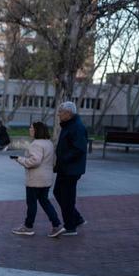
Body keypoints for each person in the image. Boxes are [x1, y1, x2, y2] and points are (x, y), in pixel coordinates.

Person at [10, 121, 65, 237]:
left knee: (32, 204)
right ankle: (57, 225)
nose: (29, 130)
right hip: (46, 179)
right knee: (45, 202)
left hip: (35, 180)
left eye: (31, 128)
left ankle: (28, 227)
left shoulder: (36, 144)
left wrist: (20, 159)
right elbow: (53, 161)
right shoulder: (49, 143)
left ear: (37, 130)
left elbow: (34, 161)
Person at [54, 101, 88, 236]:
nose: (58, 115)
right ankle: (77, 218)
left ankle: (70, 226)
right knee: (58, 192)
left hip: (71, 169)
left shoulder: (77, 127)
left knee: (67, 197)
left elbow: (79, 149)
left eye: (60, 112)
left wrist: (63, 159)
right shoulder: (69, 125)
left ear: (68, 113)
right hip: (65, 168)